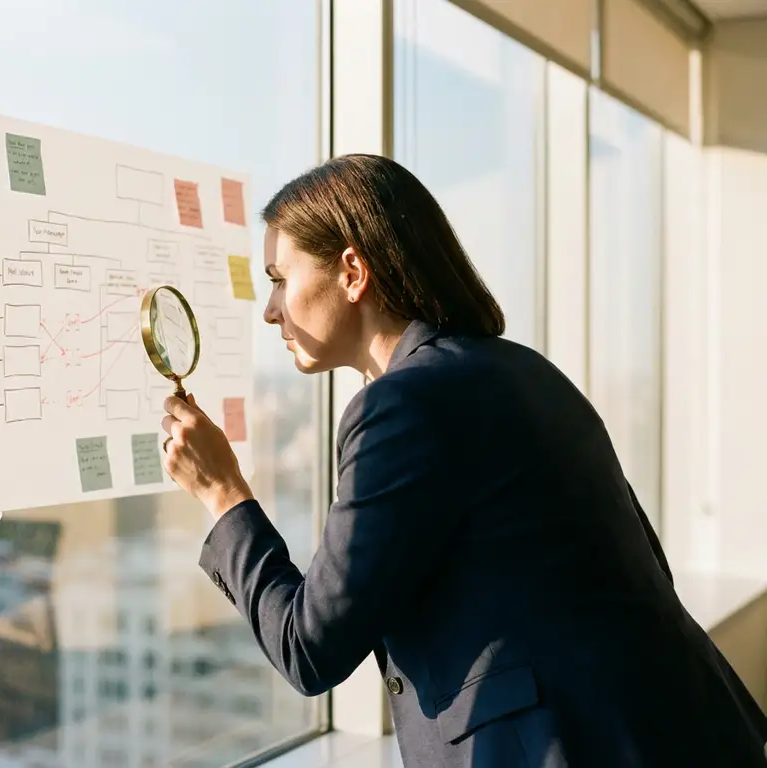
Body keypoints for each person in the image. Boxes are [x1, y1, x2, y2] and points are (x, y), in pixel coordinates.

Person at [159, 154, 767, 767]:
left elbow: (309, 648)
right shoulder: (524, 369)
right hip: (684, 731)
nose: (270, 310)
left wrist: (223, 494)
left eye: (279, 278)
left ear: (351, 271)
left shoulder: (399, 406)